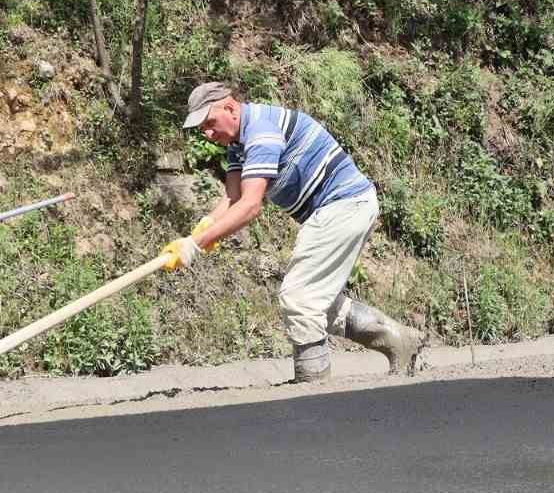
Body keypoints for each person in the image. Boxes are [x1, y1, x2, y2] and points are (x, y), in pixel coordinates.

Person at [165, 82, 425, 382]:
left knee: (299, 298)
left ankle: (312, 383)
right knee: (317, 303)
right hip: (337, 209)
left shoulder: (261, 132)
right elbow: (232, 199)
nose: (207, 134)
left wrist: (196, 245)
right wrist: (201, 231)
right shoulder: (238, 142)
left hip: (342, 204)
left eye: (210, 123)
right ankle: (399, 340)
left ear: (230, 107)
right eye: (201, 129)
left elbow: (250, 206)